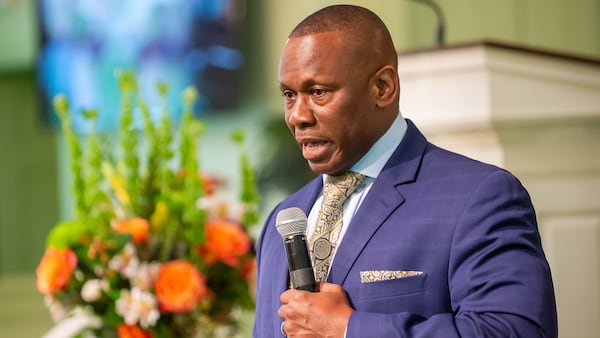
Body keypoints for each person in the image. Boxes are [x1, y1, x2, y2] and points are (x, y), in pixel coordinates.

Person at [253, 4, 558, 338]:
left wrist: (348, 328)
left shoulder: (480, 197)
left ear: (383, 87)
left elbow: (514, 331)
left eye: (318, 92)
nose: (298, 115)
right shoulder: (281, 220)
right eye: (288, 95)